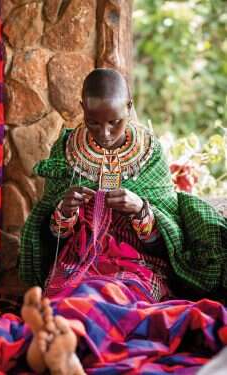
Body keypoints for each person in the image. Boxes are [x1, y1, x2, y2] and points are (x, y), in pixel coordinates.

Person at [19, 68, 227, 374]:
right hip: (78, 260)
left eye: (115, 122)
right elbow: (52, 239)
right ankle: (60, 345)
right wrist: (64, 210)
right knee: (76, 292)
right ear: (82, 109)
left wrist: (141, 209)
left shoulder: (151, 153)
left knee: (110, 295)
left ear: (129, 107)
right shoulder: (65, 151)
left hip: (138, 266)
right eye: (93, 122)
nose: (104, 133)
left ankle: (62, 345)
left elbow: (167, 241)